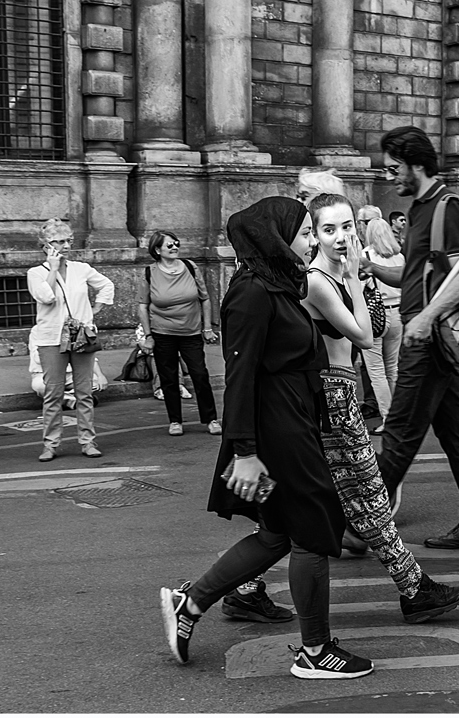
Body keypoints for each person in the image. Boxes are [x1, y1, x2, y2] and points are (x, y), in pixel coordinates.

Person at [160, 197, 375, 679]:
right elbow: (239, 375)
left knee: (278, 534)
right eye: (305, 233)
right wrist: (245, 452)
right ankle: (315, 651)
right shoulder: (252, 292)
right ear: (276, 237)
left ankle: (190, 602)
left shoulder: (280, 283)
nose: (310, 241)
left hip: (293, 420)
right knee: (312, 532)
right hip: (277, 429)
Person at [301, 192, 459, 615]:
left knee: (339, 500)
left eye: (347, 227)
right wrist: (356, 282)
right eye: (328, 229)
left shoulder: (338, 273)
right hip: (332, 400)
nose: (341, 237)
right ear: (315, 234)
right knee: (368, 497)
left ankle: (242, 588)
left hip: (342, 398)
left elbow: (373, 326)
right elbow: (363, 335)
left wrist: (358, 278)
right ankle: (415, 589)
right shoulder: (317, 280)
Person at [360, 125, 459, 549]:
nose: (389, 177)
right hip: (426, 333)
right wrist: (375, 269)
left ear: (416, 165)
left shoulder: (448, 208)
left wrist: (423, 319)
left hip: (430, 338)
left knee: (400, 433)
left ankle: (361, 528)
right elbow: (414, 274)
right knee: (456, 433)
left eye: (393, 168)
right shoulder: (420, 208)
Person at [26, 218, 114, 462]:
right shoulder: (36, 273)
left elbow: (107, 285)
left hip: (81, 336)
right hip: (51, 338)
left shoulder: (81, 268)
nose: (65, 246)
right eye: (58, 241)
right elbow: (46, 297)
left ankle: (88, 441)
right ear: (45, 245)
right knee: (52, 394)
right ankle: (50, 444)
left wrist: (95, 309)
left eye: (67, 241)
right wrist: (53, 269)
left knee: (84, 391)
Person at [137, 231, 221, 437]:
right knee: (168, 378)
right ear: (158, 250)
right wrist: (148, 336)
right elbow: (142, 305)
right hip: (162, 333)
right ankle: (175, 420)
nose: (175, 247)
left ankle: (210, 419)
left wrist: (207, 328)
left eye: (176, 244)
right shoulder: (149, 272)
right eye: (169, 245)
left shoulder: (190, 267)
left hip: (191, 332)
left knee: (200, 375)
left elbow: (205, 298)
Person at [360, 217, 405, 433]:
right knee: (393, 368)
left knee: (376, 371)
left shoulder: (367, 256)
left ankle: (389, 418)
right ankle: (399, 415)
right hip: (398, 313)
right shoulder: (400, 256)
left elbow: (360, 286)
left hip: (375, 314)